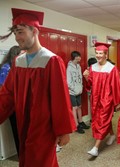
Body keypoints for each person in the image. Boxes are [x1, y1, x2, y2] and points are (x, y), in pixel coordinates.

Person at [0, 8, 76, 167]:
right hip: (23, 122)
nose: (17, 38)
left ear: (34, 31)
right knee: (27, 158)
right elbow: (8, 93)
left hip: (43, 126)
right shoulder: (19, 62)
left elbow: (60, 98)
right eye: (15, 33)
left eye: (20, 32)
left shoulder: (50, 60)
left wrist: (63, 130)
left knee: (41, 160)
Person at [83, 42, 120, 156]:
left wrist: (117, 102)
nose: (98, 55)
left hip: (106, 99)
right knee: (98, 118)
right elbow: (90, 84)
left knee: (103, 119)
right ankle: (112, 135)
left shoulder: (111, 69)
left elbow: (116, 86)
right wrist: (86, 77)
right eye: (97, 53)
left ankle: (96, 148)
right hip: (95, 99)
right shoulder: (92, 67)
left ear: (106, 55)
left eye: (101, 53)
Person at [0, 45, 21, 157]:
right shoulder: (6, 68)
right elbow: (4, 89)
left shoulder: (18, 67)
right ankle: (21, 155)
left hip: (21, 104)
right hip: (12, 106)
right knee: (17, 132)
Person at [67, 51, 90, 134]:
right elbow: (68, 82)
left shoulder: (79, 66)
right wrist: (74, 88)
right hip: (72, 92)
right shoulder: (69, 68)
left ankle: (81, 122)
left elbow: (80, 78)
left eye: (79, 56)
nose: (80, 58)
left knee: (79, 106)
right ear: (74, 57)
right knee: (75, 108)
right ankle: (76, 125)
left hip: (79, 90)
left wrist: (80, 87)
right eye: (78, 56)